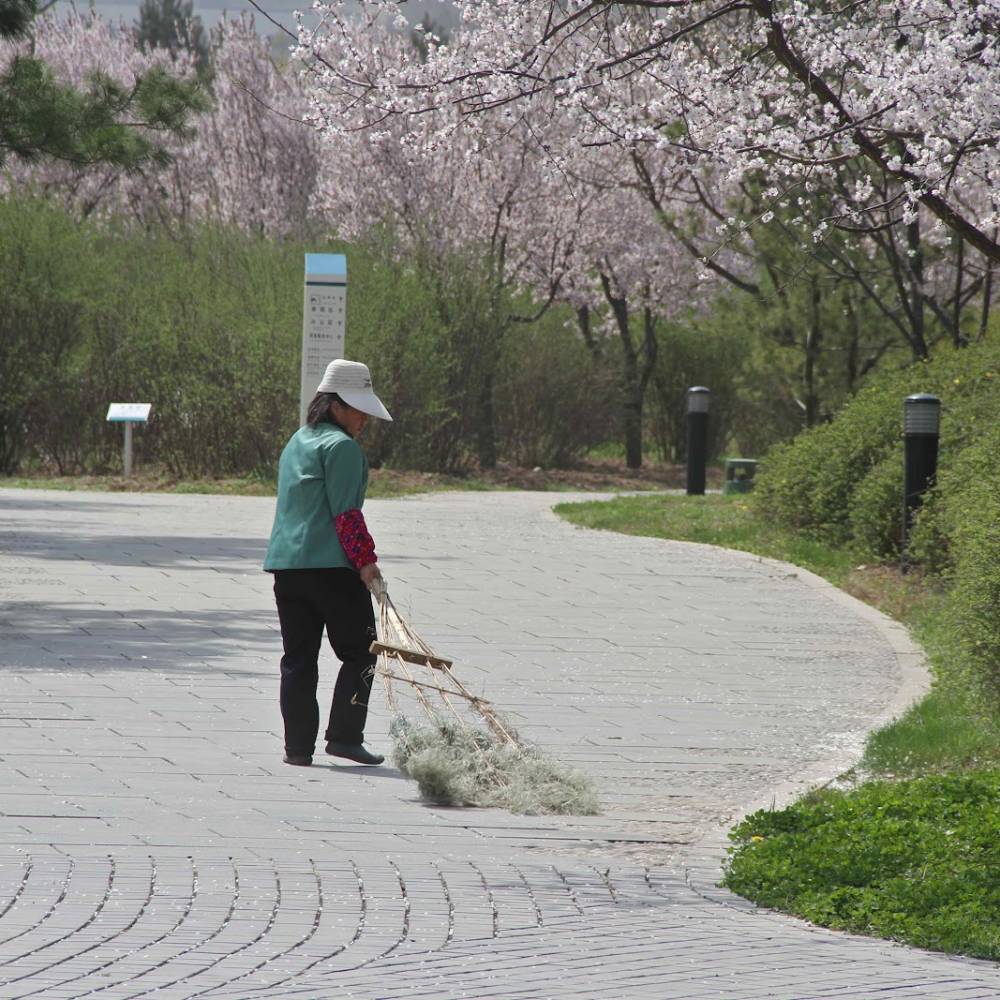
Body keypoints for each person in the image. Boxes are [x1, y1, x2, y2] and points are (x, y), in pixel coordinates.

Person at [263, 359, 392, 767]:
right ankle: (345, 736)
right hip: (331, 569)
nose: (364, 420)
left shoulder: (297, 440)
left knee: (298, 659)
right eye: (358, 410)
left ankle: (297, 748)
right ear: (335, 405)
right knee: (362, 652)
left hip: (288, 566)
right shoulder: (342, 448)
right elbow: (346, 515)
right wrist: (366, 562)